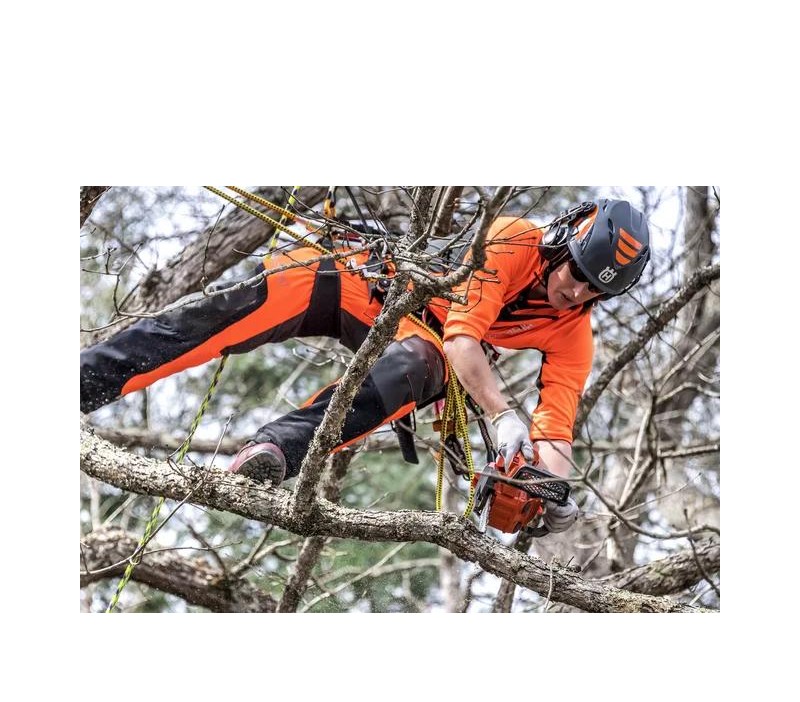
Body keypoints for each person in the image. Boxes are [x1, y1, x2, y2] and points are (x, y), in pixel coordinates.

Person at [80, 197, 651, 534]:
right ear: (561, 245)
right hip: (357, 277)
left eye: (595, 292)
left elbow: (556, 428)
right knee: (221, 316)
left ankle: (276, 449)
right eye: (577, 274)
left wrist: (552, 488)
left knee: (415, 370)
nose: (577, 293)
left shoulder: (574, 332)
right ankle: (82, 382)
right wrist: (502, 415)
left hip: (422, 339)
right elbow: (465, 339)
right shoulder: (513, 241)